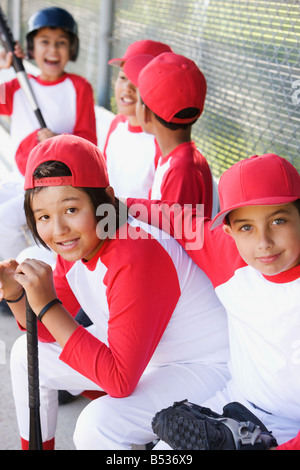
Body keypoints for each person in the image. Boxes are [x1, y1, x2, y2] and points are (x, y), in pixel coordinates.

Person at [0, 134, 230, 450]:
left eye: (70, 209)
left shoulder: (135, 250)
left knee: (97, 427)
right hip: (144, 355)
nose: (58, 230)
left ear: (104, 200)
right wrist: (15, 294)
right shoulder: (78, 244)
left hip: (202, 367)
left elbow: (119, 381)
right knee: (26, 356)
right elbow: (45, 333)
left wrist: (48, 304)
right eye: (43, 217)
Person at [126, 153, 300, 446]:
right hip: (238, 406)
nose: (264, 241)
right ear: (229, 231)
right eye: (247, 227)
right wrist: (111, 203)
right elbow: (175, 219)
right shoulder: (230, 255)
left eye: (279, 220)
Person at [0, 6, 97, 259]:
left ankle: (19, 284)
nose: (53, 50)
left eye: (61, 43)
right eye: (44, 42)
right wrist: (1, 67)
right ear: (31, 48)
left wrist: (59, 140)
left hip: (54, 186)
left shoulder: (79, 87)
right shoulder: (17, 86)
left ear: (71, 49)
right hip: (20, 178)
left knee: (4, 223)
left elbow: (91, 143)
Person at [124, 52, 218, 217]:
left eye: (139, 99)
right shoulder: (178, 158)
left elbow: (172, 237)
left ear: (145, 113)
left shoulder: (181, 170)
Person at [104, 40, 173, 198]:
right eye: (122, 77)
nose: (127, 87)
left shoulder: (162, 140)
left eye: (137, 80)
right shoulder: (117, 123)